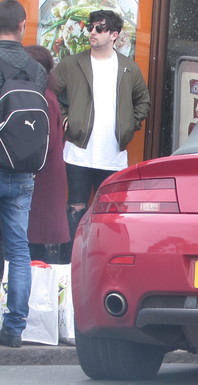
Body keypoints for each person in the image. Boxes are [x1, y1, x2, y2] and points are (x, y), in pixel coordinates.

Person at [53, 9, 151, 262]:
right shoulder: (73, 63)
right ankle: (70, 262)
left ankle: (103, 261)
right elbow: (50, 92)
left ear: (114, 35)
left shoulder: (129, 68)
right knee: (75, 207)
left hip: (113, 155)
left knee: (109, 212)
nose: (92, 33)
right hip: (78, 152)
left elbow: (144, 101)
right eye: (90, 27)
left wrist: (130, 125)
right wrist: (65, 117)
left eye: (99, 28)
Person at [0, 0, 47, 348]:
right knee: (18, 249)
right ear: (23, 25)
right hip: (23, 171)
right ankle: (14, 329)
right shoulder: (37, 69)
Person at [24, 45, 70, 264]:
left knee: (35, 239)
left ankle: (36, 293)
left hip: (42, 177)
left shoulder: (45, 97)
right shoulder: (46, 95)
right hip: (44, 174)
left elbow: (46, 140)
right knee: (32, 239)